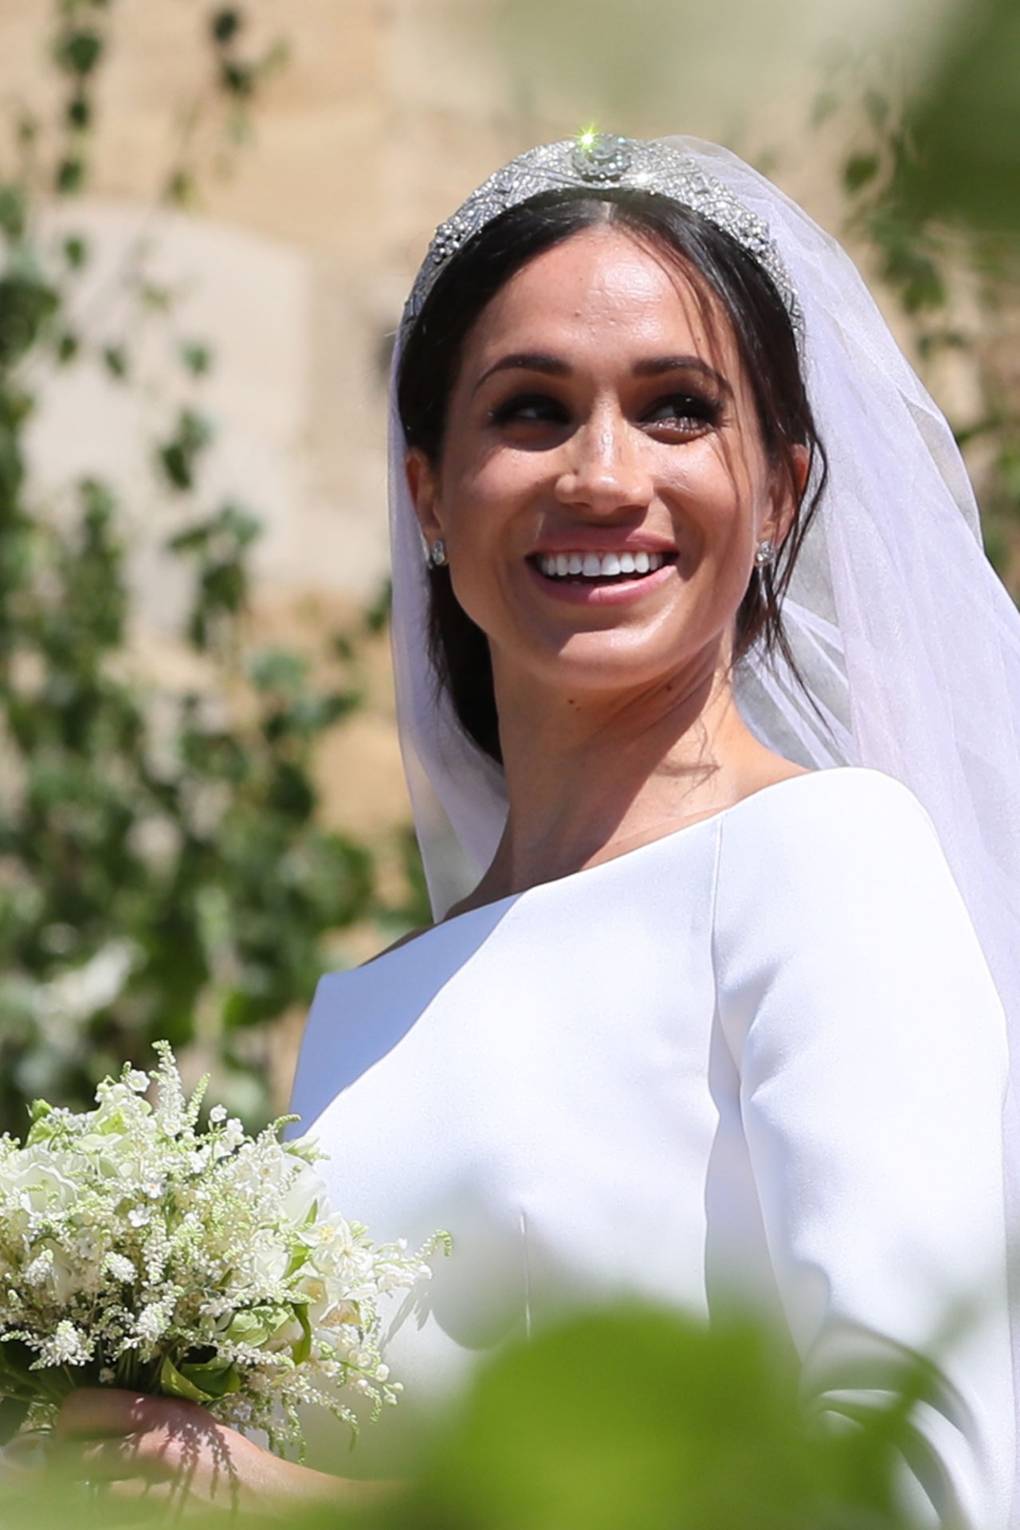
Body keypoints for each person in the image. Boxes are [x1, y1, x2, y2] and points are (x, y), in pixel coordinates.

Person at [50, 135, 1020, 1527]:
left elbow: (920, 1483)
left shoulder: (826, 861)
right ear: (432, 493)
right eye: (532, 411)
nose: (603, 475)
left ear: (783, 491)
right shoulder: (367, 1012)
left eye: (679, 408)